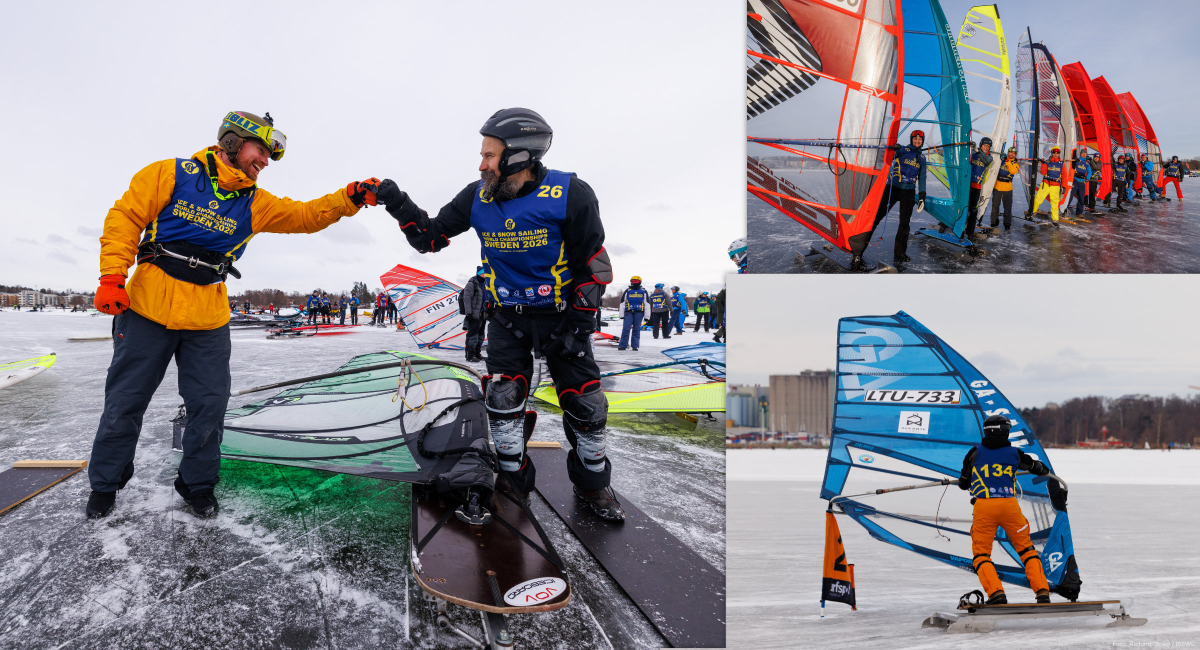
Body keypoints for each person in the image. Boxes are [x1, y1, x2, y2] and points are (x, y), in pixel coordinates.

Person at [86, 110, 379, 519]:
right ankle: (105, 483)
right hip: (148, 308)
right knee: (125, 400)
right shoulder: (171, 173)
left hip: (207, 316)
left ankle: (198, 485)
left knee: (209, 405)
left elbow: (304, 216)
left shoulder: (256, 202)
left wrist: (347, 198)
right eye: (261, 151)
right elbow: (125, 218)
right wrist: (111, 275)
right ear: (233, 141)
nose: (265, 162)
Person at [374, 107, 624, 521]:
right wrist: (396, 202)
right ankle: (512, 481)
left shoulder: (570, 193)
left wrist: (581, 325)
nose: (482, 163)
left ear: (518, 156)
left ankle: (593, 485)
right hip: (508, 317)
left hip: (562, 317)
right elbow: (429, 237)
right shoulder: (478, 195)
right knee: (504, 399)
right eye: (483, 154)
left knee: (587, 405)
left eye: (490, 155)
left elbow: (593, 264)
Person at [958, 415, 1053, 605]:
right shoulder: (1014, 454)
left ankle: (996, 594)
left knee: (982, 554)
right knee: (1027, 550)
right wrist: (1040, 467)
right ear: (1004, 432)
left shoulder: (974, 453)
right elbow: (1037, 468)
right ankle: (1042, 592)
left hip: (984, 507)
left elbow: (963, 482)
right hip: (1009, 507)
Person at [849, 130, 927, 270]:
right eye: (915, 139)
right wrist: (893, 147)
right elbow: (886, 156)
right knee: (875, 217)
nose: (917, 141)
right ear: (911, 139)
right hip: (893, 188)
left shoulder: (922, 158)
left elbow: (922, 178)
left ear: (922, 141)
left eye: (919, 140)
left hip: (909, 191)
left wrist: (922, 196)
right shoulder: (902, 150)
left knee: (904, 224)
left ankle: (899, 253)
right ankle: (857, 252)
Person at [1027, 147, 1066, 223]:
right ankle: (1031, 213)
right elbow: (1043, 173)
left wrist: (1064, 186)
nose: (1055, 154)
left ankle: (1055, 220)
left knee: (1054, 204)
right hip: (1045, 184)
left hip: (1055, 186)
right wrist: (1043, 164)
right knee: (1037, 200)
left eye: (1057, 153)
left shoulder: (1062, 164)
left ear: (1059, 154)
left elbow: (1064, 175)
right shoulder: (1047, 162)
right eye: (1054, 152)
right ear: (1051, 153)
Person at [965, 137, 994, 240]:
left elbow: (985, 161)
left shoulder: (989, 157)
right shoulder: (972, 152)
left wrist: (977, 150)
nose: (986, 148)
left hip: (976, 186)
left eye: (988, 146)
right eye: (985, 145)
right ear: (981, 144)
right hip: (966, 184)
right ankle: (945, 224)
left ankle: (970, 232)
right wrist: (969, 146)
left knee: (973, 210)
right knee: (961, 206)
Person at [461, 266, 488, 362]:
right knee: (473, 335)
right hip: (474, 314)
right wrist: (468, 313)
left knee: (480, 335)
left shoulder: (485, 284)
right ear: (479, 273)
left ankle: (477, 354)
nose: (485, 274)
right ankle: (470, 355)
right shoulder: (472, 284)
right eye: (484, 272)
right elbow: (466, 299)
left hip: (483, 314)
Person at [989, 147, 1019, 230]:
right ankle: (993, 222)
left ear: (1015, 155)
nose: (1011, 154)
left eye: (1013, 153)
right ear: (1008, 152)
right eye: (1010, 152)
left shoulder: (1015, 164)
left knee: (1007, 207)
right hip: (997, 186)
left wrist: (1007, 161)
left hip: (1007, 188)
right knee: (995, 206)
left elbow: (1012, 171)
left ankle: (1007, 224)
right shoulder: (1001, 160)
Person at [617, 276, 648, 351]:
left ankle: (635, 345)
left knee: (636, 329)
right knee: (626, 328)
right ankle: (622, 345)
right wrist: (621, 314)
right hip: (628, 312)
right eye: (633, 281)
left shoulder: (643, 291)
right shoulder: (628, 291)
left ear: (640, 282)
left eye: (636, 281)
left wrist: (647, 316)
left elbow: (647, 304)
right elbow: (622, 303)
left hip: (639, 312)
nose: (634, 283)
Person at [1068, 147, 1091, 218]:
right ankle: (1064, 209)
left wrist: (1087, 179)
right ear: (1081, 154)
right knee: (1070, 196)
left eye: (1085, 153)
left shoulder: (1087, 163)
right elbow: (1070, 165)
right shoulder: (1077, 160)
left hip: (1082, 182)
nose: (1084, 155)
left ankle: (1079, 212)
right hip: (1075, 180)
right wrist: (1074, 160)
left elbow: (1089, 171)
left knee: (1081, 198)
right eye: (1083, 153)